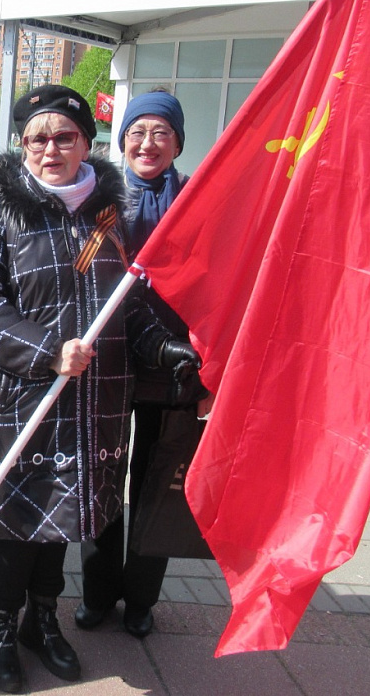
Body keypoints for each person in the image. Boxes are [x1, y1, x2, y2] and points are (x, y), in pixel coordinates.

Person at [0, 85, 197, 693]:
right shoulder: (1, 207)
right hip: (23, 399)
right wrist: (45, 351)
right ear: (22, 145)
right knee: (15, 523)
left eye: (65, 136)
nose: (51, 148)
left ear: (87, 142)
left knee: (65, 517)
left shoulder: (107, 213)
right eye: (38, 137)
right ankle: (2, 627)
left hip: (95, 402)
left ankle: (44, 619)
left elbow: (126, 300)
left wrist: (160, 346)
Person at [74, 89, 211, 641]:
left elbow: (217, 290)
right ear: (121, 139)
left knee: (157, 488)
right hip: (108, 366)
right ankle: (97, 592)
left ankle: (142, 599)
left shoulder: (199, 202)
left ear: (178, 142)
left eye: (160, 132)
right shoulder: (100, 200)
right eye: (136, 131)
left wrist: (208, 375)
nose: (146, 143)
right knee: (100, 480)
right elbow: (80, 276)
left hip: (174, 369)